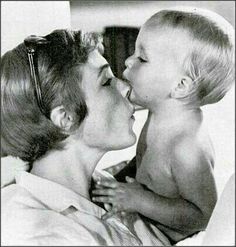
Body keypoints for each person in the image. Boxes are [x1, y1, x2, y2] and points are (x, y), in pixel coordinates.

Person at [1, 29, 170, 245]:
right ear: (65, 118)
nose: (127, 88)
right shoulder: (39, 234)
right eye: (106, 82)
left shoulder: (104, 185)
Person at [92, 7, 235, 244]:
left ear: (180, 86)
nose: (128, 61)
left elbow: (204, 216)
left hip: (164, 237)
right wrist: (126, 175)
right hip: (143, 214)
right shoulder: (160, 113)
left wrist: (139, 200)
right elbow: (151, 164)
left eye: (142, 58)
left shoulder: (186, 147)